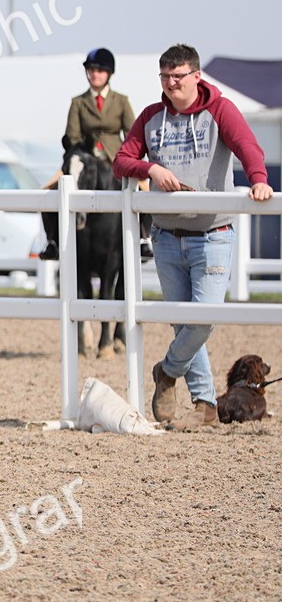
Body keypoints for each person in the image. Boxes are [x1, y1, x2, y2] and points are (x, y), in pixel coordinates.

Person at [112, 43, 273, 428]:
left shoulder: (221, 110)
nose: (170, 85)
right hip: (166, 236)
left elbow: (248, 146)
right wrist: (150, 169)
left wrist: (260, 181)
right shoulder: (152, 117)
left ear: (196, 76)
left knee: (202, 320)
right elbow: (121, 161)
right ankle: (204, 403)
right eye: (164, 78)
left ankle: (166, 373)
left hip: (213, 233)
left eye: (177, 77)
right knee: (184, 325)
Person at [41, 47, 144, 260]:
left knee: (145, 188)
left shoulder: (121, 101)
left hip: (115, 157)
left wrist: (128, 157)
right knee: (49, 190)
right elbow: (72, 135)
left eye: (99, 70)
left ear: (108, 74)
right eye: (91, 70)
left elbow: (132, 133)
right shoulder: (78, 102)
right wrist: (87, 147)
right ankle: (52, 240)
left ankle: (144, 239)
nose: (95, 74)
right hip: (83, 158)